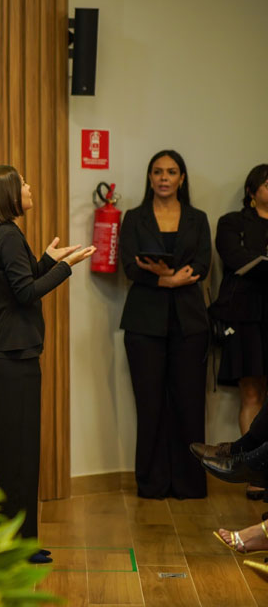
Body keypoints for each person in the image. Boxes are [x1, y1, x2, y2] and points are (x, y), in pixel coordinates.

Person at [0, 164, 94, 561]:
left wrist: (45, 259)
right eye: (23, 183)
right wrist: (64, 268)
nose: (29, 187)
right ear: (7, 194)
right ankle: (17, 546)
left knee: (10, 452)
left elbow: (15, 288)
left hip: (2, 351)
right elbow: (26, 295)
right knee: (19, 454)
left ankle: (10, 540)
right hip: (14, 354)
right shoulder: (7, 236)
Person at [119, 149, 211, 500]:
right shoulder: (134, 217)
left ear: (181, 179)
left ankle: (190, 484)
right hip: (144, 323)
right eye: (157, 172)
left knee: (189, 405)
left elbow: (202, 263)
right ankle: (152, 483)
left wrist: (165, 276)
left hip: (190, 324)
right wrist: (164, 282)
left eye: (171, 172)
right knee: (150, 405)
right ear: (149, 177)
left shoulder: (198, 218)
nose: (163, 178)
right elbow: (129, 267)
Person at [211, 165, 268, 470]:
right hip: (246, 314)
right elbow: (233, 258)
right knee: (251, 393)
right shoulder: (233, 222)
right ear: (251, 191)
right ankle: (253, 471)